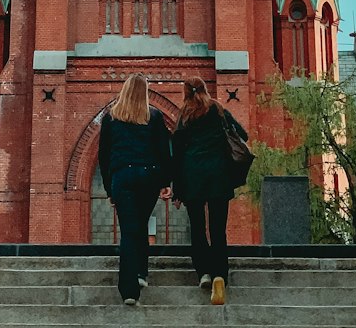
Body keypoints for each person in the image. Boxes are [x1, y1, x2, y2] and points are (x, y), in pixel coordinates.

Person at [171, 76, 248, 306]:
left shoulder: (184, 116)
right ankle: (220, 275)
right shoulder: (218, 109)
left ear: (186, 93)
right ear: (204, 89)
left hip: (192, 177)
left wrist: (176, 188)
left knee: (197, 227)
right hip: (218, 176)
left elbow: (177, 153)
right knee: (218, 229)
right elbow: (242, 135)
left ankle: (203, 272)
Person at [98, 73, 172, 306]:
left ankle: (129, 290)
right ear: (145, 92)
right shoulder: (155, 116)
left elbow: (104, 155)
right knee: (140, 225)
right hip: (148, 177)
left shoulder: (111, 118)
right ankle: (140, 273)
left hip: (123, 177)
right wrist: (165, 182)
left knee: (130, 231)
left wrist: (110, 188)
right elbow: (163, 152)